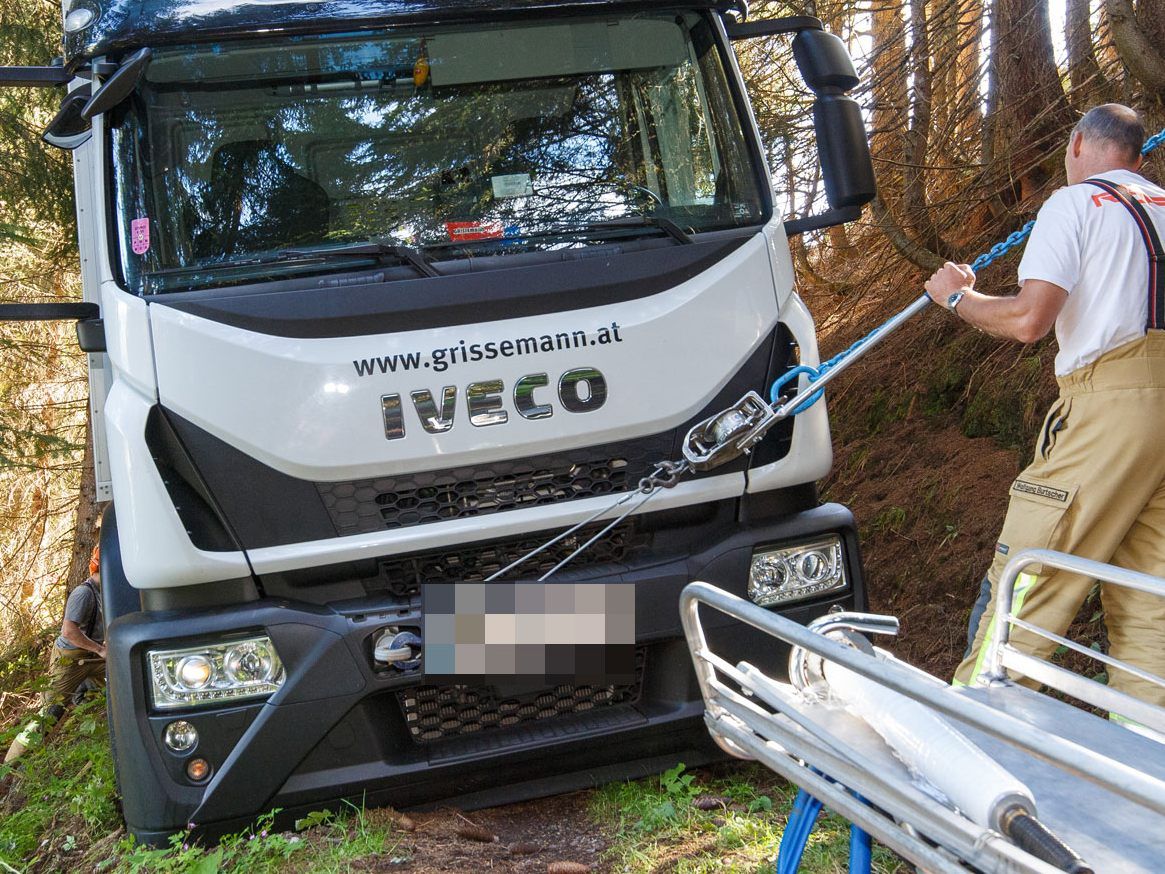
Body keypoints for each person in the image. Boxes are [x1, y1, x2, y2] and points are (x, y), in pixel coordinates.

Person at [923, 104, 1165, 715]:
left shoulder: (1073, 204)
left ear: (1079, 143)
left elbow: (1031, 320)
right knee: (1151, 602)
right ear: (1138, 157)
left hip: (1107, 409)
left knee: (1029, 575)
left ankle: (971, 735)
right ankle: (1145, 773)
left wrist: (959, 299)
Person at [4, 546, 106, 764]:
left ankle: (94, 734)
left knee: (116, 677)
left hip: (91, 656)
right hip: (69, 659)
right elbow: (69, 632)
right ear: (101, 565)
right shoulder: (83, 593)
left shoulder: (106, 593)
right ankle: (10, 767)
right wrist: (98, 649)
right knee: (49, 713)